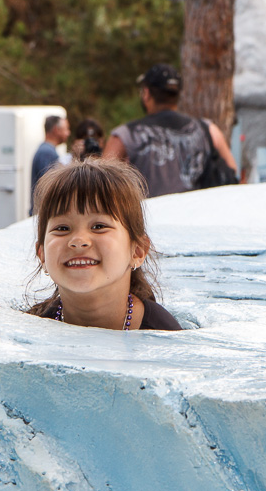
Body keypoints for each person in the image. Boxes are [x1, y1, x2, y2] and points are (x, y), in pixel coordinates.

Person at [27, 158, 182, 331]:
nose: (78, 241)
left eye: (99, 226)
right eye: (62, 228)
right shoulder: (33, 328)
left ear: (137, 251)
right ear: (42, 254)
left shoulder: (164, 335)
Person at [103, 63, 238, 197]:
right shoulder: (208, 129)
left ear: (146, 93)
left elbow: (101, 182)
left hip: (149, 210)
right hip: (198, 209)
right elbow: (232, 170)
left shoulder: (126, 135)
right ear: (177, 94)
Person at [29, 114, 70, 215]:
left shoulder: (46, 150)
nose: (68, 133)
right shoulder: (47, 153)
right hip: (43, 213)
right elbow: (49, 186)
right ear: (56, 130)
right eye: (66, 129)